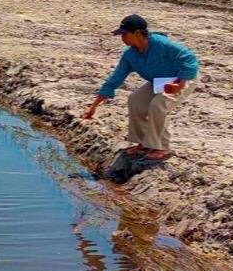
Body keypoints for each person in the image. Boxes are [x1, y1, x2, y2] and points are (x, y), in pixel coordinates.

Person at [82, 13, 198, 162]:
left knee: (158, 105)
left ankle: (162, 147)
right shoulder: (130, 55)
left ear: (137, 33)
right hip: (159, 81)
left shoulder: (161, 44)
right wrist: (93, 106)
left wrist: (180, 83)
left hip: (181, 78)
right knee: (135, 100)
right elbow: (115, 78)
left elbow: (189, 58)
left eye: (124, 34)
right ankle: (143, 143)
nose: (122, 38)